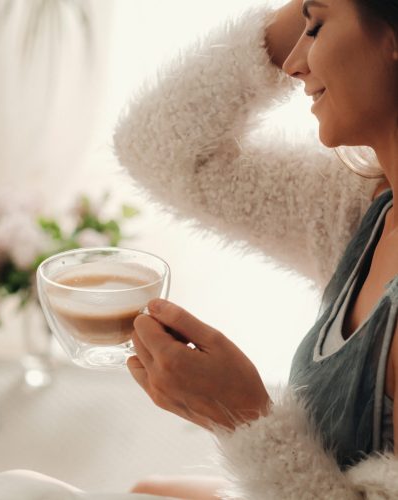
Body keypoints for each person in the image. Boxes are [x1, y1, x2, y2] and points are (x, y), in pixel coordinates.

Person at [114, 0, 398, 498]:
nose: (291, 64)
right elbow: (160, 147)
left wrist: (245, 417)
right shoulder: (362, 205)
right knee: (148, 488)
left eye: (315, 26)